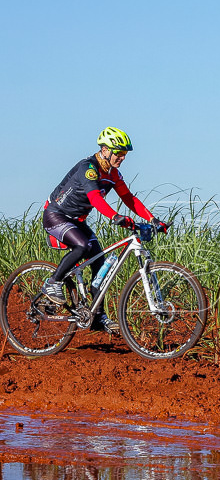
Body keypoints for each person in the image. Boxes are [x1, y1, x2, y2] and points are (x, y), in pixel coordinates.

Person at [39, 127, 168, 333]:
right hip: (56, 216)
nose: (123, 157)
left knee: (100, 265)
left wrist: (152, 219)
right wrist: (115, 216)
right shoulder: (88, 168)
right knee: (81, 246)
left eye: (125, 154)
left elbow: (129, 198)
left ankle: (98, 318)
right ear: (105, 150)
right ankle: (52, 283)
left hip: (77, 221)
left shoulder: (113, 174)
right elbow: (95, 198)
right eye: (119, 153)